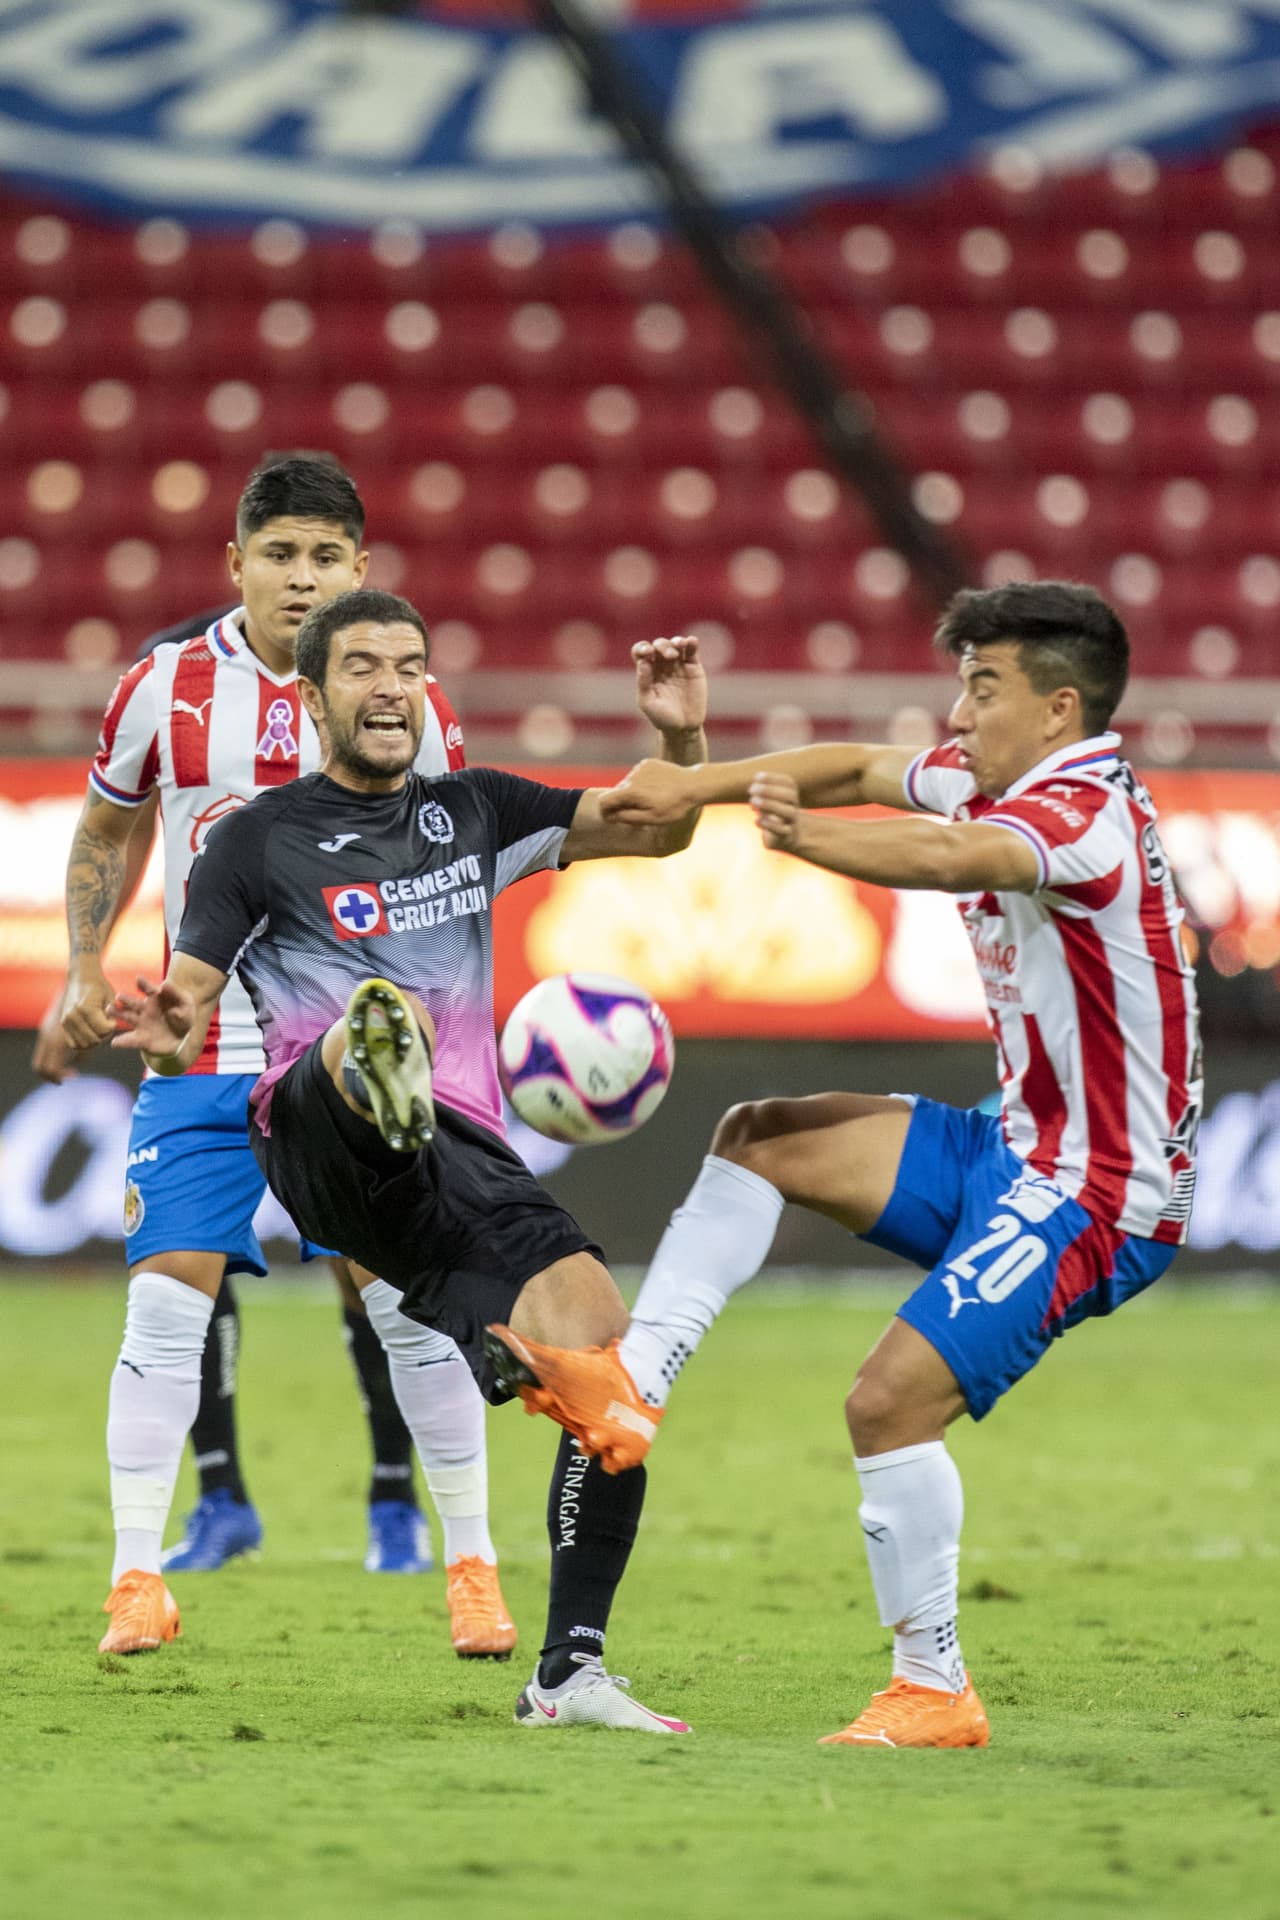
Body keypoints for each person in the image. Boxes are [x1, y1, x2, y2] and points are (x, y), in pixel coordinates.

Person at [484, 580, 1202, 1749]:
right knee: (758, 1136)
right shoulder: (999, 774)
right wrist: (694, 785)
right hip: (1008, 1149)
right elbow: (863, 769)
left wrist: (798, 842)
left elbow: (951, 852)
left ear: (1059, 707)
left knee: (883, 1404)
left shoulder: (1082, 813)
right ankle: (636, 1381)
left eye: (983, 687)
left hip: (1099, 1197)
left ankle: (932, 1686)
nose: (956, 712)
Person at [111, 588, 707, 1733]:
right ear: (312, 691)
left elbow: (660, 827)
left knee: (608, 1378)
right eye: (363, 667)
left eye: (408, 665)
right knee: (371, 1027)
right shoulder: (256, 837)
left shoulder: (475, 811)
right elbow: (189, 992)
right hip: (313, 1129)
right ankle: (379, 1068)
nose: (389, 685)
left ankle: (568, 1674)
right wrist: (172, 1023)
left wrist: (677, 740)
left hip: (455, 1158)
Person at [68, 459, 517, 1656]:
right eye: (281, 554)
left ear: (358, 570)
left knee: (406, 1313)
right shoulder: (164, 687)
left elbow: (440, 867)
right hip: (203, 1050)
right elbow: (108, 827)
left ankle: (469, 1565)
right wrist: (78, 969)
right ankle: (133, 1581)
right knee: (165, 1310)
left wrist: (429, 1021)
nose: (303, 577)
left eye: (326, 557)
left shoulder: (409, 701)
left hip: (350, 1059)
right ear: (238, 564)